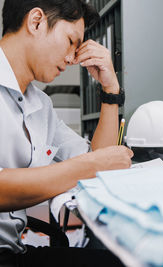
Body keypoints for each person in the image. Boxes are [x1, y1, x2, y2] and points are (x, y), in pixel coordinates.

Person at [0, 0, 133, 266]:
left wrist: (110, 88)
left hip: (14, 251)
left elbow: (98, 161)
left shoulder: (40, 105)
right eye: (71, 41)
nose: (73, 58)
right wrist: (86, 166)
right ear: (36, 21)